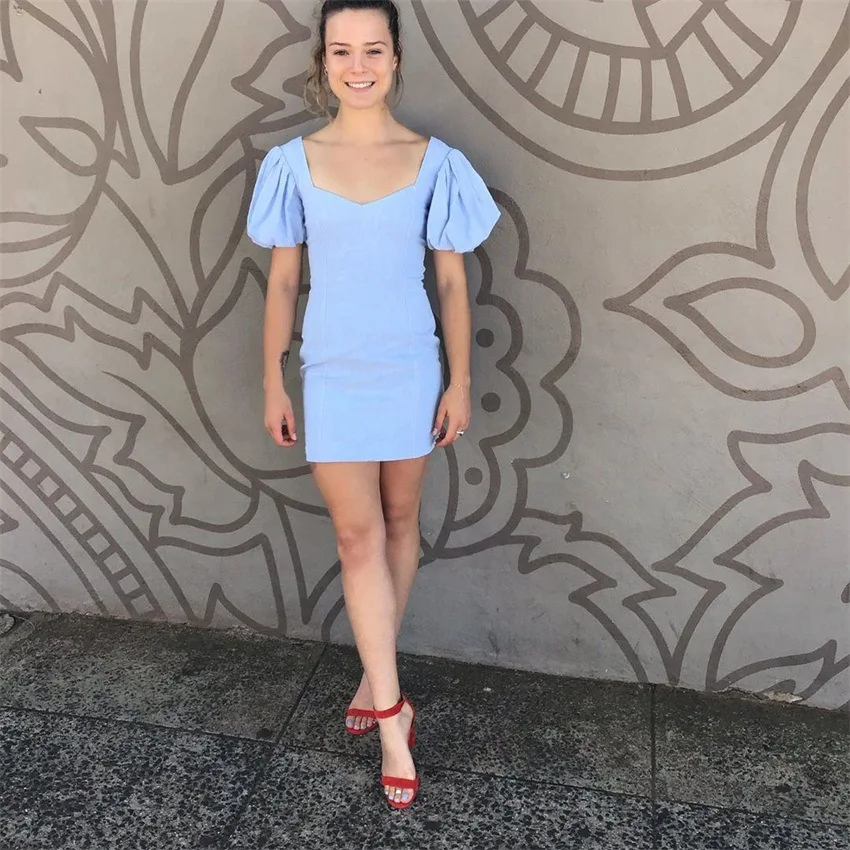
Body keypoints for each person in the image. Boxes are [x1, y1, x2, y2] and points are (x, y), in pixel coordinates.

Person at [246, 0, 499, 809]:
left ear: (396, 58)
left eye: (373, 50)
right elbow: (283, 281)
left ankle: (372, 673)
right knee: (356, 536)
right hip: (331, 372)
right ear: (323, 61)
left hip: (410, 369)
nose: (358, 66)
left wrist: (459, 381)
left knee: (398, 523)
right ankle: (394, 718)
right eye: (341, 51)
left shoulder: (436, 162)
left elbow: (452, 283)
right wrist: (272, 379)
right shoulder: (292, 163)